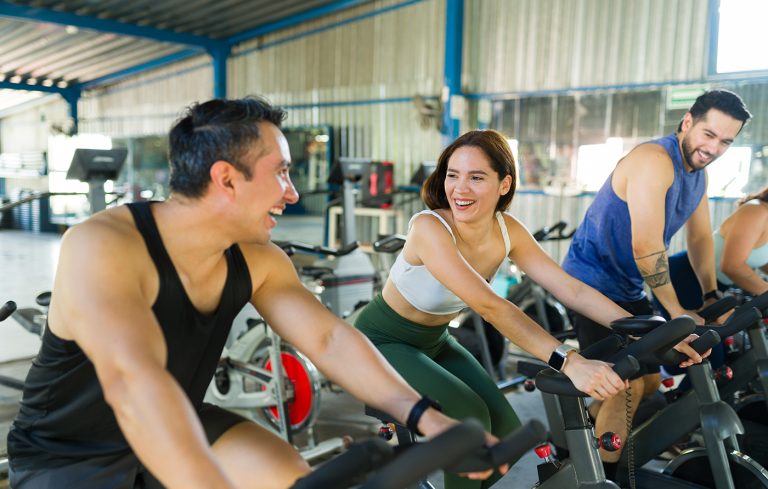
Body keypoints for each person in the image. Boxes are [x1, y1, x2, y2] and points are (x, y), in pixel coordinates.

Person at [6, 97, 488, 489]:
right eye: (281, 172)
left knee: (287, 476)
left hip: (183, 416)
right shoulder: (104, 246)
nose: (293, 192)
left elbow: (329, 341)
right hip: (69, 451)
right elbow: (134, 385)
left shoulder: (258, 259)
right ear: (227, 179)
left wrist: (426, 417)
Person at [353, 129, 701, 489]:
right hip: (382, 340)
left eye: (476, 177)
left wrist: (656, 333)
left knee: (505, 433)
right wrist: (570, 360)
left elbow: (572, 289)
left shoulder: (507, 230)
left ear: (504, 184)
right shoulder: (429, 227)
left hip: (435, 340)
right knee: (470, 419)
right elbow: (491, 306)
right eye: (452, 175)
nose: (459, 189)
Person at [561, 89, 752, 475]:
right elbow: (646, 246)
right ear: (687, 122)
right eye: (708, 134)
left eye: (725, 142)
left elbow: (699, 238)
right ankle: (601, 478)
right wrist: (677, 311)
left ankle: (572, 441)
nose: (713, 148)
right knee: (623, 385)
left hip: (627, 289)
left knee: (646, 383)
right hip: (588, 284)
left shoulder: (697, 174)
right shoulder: (654, 160)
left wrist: (710, 293)